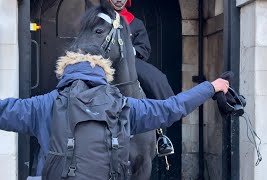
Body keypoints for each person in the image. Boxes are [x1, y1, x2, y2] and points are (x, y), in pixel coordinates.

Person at [0, 52, 229, 178]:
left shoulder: (42, 106)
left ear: (65, 74)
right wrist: (211, 86)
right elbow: (171, 108)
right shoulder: (123, 105)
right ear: (105, 76)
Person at [108, 0, 176, 156]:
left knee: (157, 79)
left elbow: (144, 48)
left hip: (129, 62)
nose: (119, 0)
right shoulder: (99, 18)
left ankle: (161, 135)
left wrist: (129, 50)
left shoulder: (135, 22)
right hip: (103, 61)